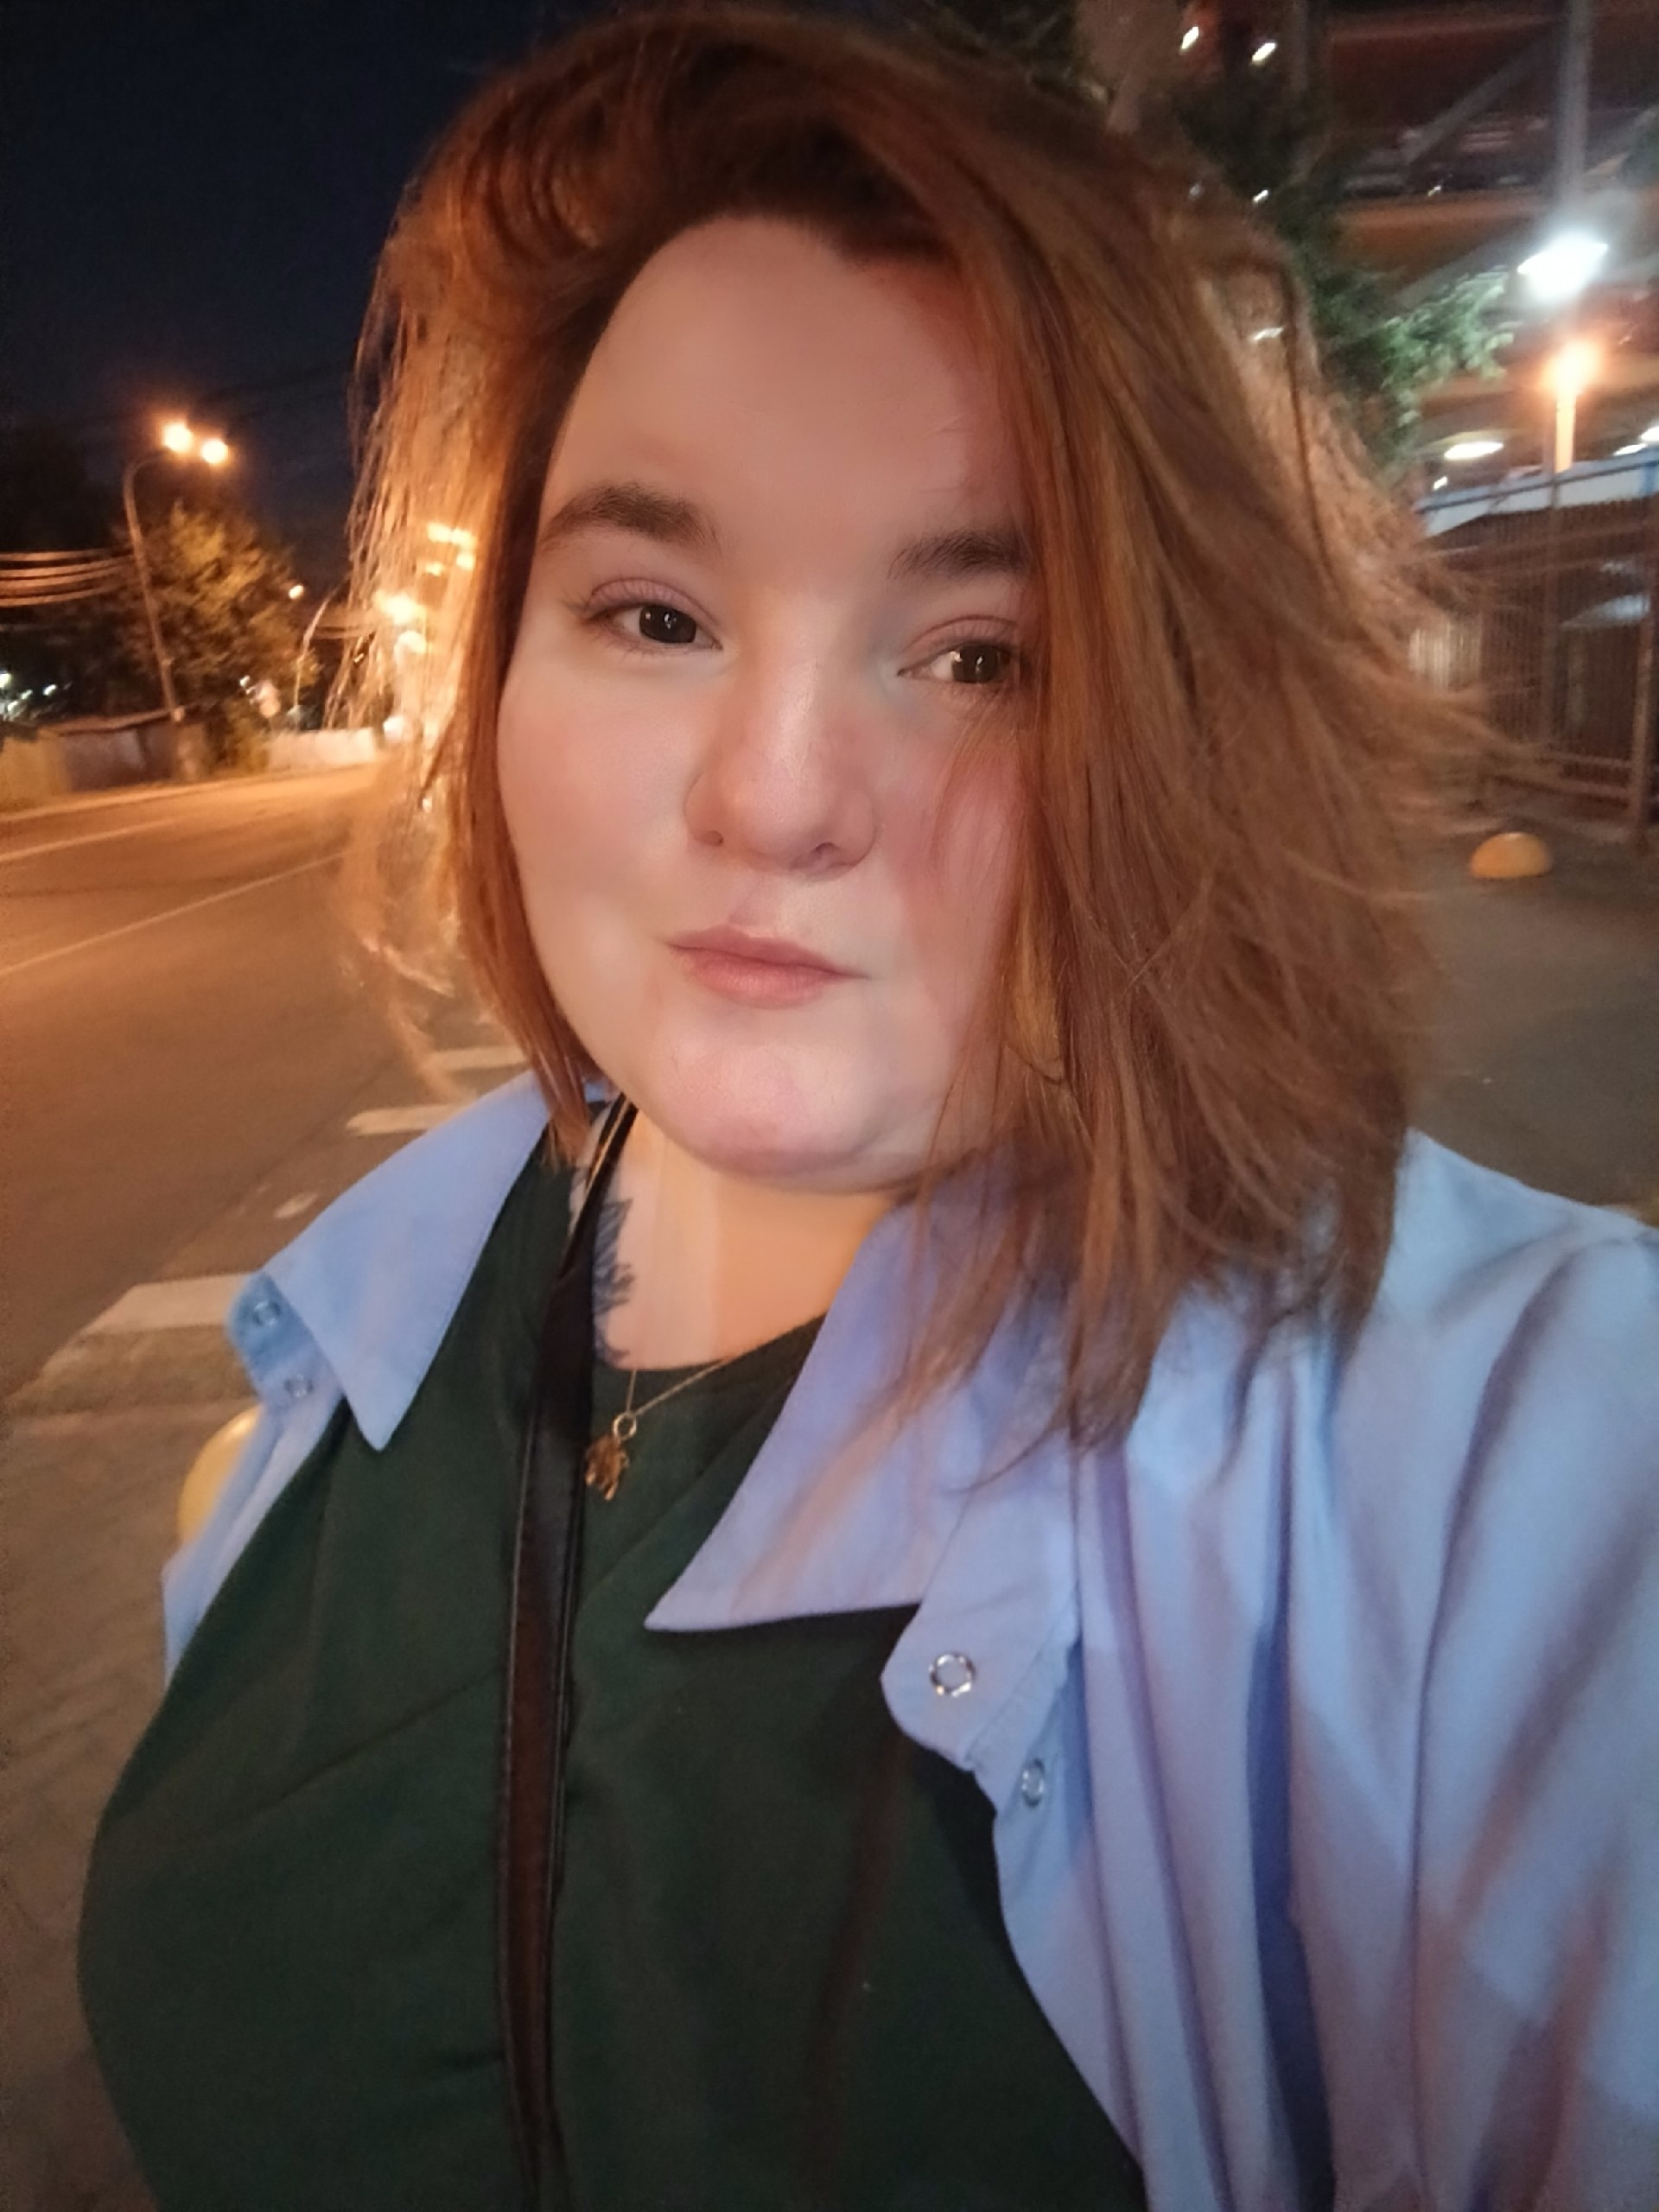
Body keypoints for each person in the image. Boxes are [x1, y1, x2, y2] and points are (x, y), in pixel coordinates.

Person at [79, 6, 1659, 2209]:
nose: (775, 796)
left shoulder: (1498, 1451)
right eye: (653, 613)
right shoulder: (346, 1343)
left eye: (979, 654)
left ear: (1180, 730)